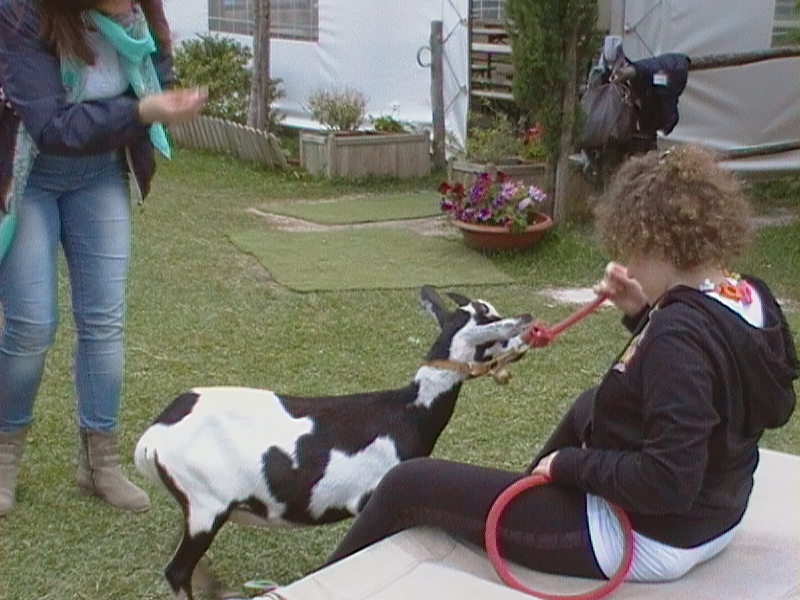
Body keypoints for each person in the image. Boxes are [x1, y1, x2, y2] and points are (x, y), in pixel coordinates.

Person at [322, 145, 798, 582]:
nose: (627, 266)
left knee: (409, 482)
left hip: (648, 537)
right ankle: (524, 503)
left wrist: (569, 465)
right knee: (589, 405)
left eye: (632, 249)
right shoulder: (749, 294)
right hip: (718, 516)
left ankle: (317, 589)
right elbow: (717, 373)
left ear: (658, 245)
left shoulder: (678, 338)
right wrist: (641, 312)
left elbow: (668, 482)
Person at [0, 0, 206, 516]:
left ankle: (99, 464)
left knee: (103, 321)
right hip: (31, 176)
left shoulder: (137, 17)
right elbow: (52, 125)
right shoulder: (20, 13)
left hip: (99, 174)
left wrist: (162, 93)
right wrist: (139, 111)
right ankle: (3, 459)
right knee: (30, 324)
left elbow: (153, 70)